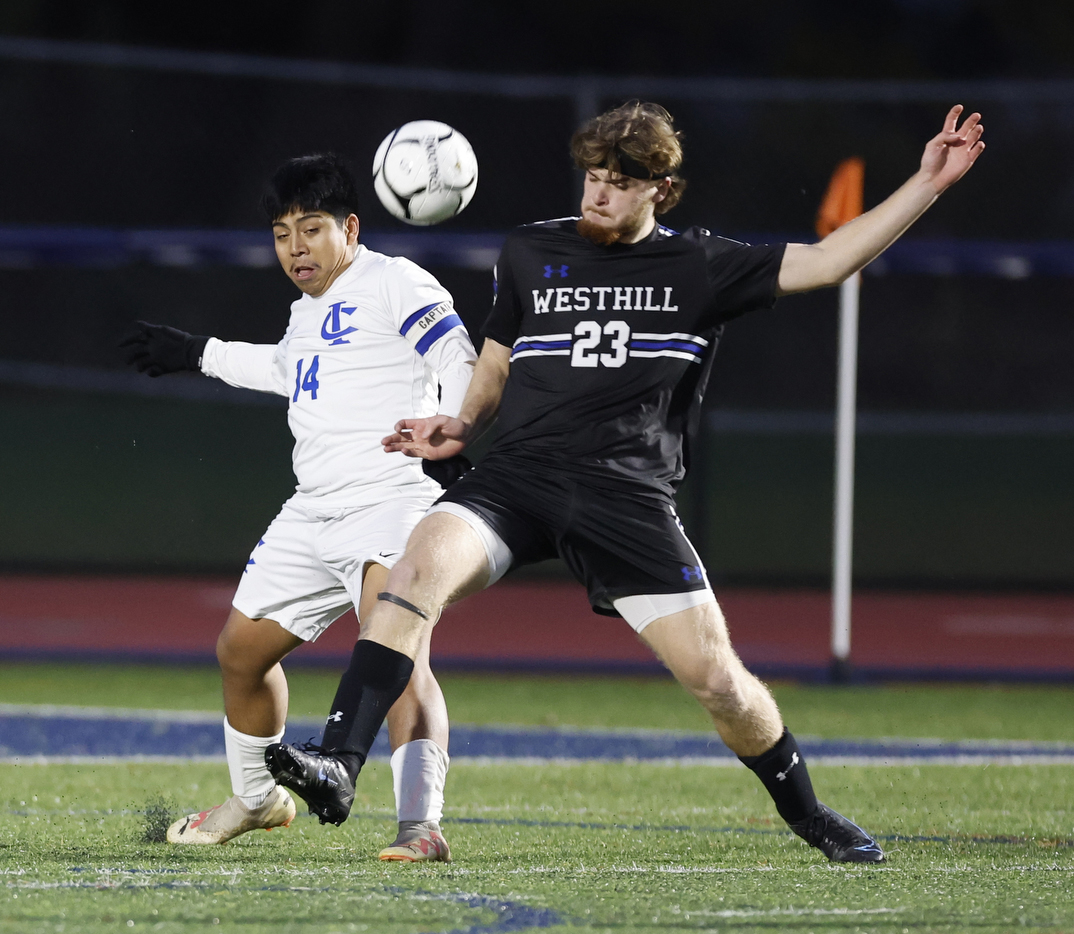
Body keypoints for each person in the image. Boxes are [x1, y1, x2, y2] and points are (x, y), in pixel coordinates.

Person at [266, 102, 985, 863]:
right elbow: (499, 356)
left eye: (617, 182)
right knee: (415, 569)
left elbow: (832, 259)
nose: (597, 194)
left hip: (626, 499)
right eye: (592, 177)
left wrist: (927, 184)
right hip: (520, 479)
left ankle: (808, 812)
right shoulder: (530, 250)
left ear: (660, 189)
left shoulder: (700, 266)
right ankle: (340, 765)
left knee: (719, 682)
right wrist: (464, 424)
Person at [121, 153, 477, 861]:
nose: (295, 248)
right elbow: (287, 370)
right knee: (240, 653)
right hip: (312, 509)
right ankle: (257, 800)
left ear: (349, 227)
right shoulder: (306, 309)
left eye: (311, 229)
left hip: (392, 499)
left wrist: (458, 424)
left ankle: (420, 826)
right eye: (282, 233)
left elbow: (457, 354)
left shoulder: (395, 280)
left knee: (398, 655)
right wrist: (199, 353)